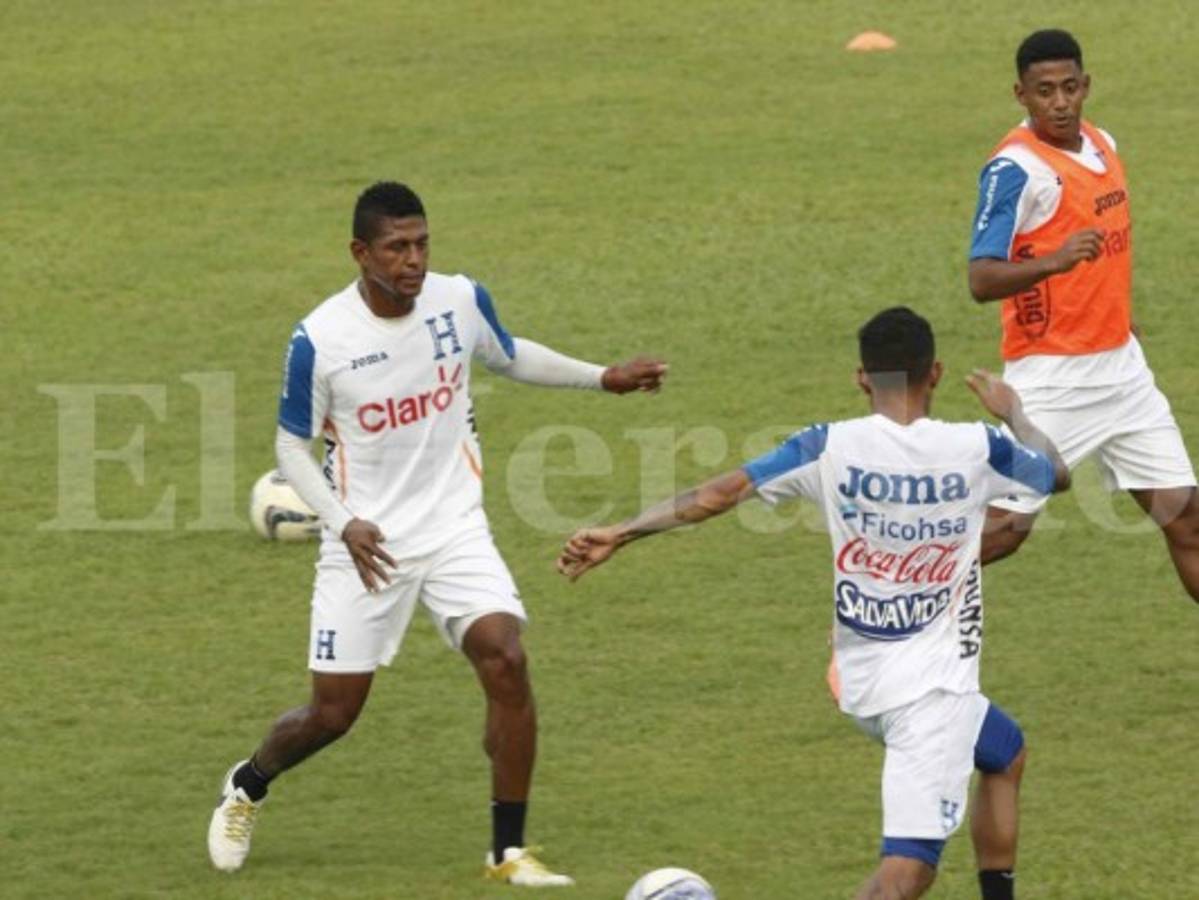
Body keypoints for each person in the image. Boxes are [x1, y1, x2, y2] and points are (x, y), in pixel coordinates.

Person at [207, 181, 668, 886]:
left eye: (421, 243)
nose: (414, 260)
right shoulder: (320, 340)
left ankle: (506, 853)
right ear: (360, 252)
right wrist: (343, 522)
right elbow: (290, 448)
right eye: (396, 247)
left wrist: (602, 378)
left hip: (454, 527)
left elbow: (506, 354)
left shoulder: (458, 299)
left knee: (505, 658)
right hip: (366, 546)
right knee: (333, 714)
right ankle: (249, 783)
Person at [558, 308, 1070, 900]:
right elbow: (1055, 475)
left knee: (1005, 751)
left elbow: (720, 493)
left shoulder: (827, 445)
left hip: (862, 680)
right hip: (930, 694)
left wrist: (622, 532)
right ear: (935, 373)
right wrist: (1014, 413)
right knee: (907, 876)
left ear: (861, 378)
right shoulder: (977, 446)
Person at [968, 29, 1199, 596]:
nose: (1060, 102)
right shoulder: (1014, 169)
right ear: (1021, 94)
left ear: (1086, 85)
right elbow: (981, 279)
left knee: (1188, 522)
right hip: (1053, 380)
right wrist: (1055, 261)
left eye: (1069, 88)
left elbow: (1109, 251)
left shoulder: (1102, 143)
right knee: (1003, 531)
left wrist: (1115, 313)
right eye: (1044, 91)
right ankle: (884, 595)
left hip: (1123, 373)